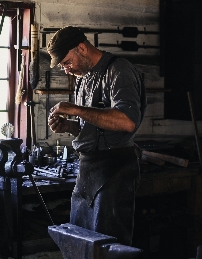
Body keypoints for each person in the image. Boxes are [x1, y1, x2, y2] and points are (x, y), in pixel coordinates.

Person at [46, 26, 146, 246]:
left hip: (114, 170)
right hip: (89, 170)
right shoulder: (84, 79)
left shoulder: (118, 70)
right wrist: (70, 126)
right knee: (81, 241)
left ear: (82, 48)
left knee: (107, 245)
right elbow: (95, 128)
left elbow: (127, 121)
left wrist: (77, 109)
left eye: (67, 62)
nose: (66, 70)